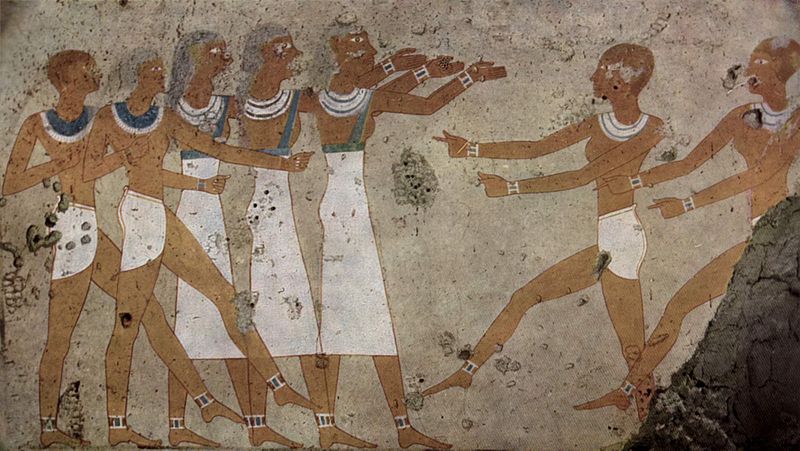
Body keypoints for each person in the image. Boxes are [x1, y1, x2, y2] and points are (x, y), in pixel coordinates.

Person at [2, 50, 241, 448]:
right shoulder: (38, 124)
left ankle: (188, 406)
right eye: (85, 73)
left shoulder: (99, 117)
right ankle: (47, 429)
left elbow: (121, 162)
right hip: (68, 235)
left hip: (94, 230)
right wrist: (59, 163)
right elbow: (11, 182)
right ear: (65, 81)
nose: (93, 75)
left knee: (150, 314)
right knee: (60, 338)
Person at [82, 48, 313, 446]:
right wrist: (124, 157)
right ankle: (117, 425)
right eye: (153, 71)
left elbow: (218, 150)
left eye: (161, 71)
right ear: (136, 75)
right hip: (138, 216)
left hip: (159, 213)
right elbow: (89, 169)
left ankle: (278, 386)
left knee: (225, 295)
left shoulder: (165, 118)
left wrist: (280, 164)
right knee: (128, 323)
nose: (161, 77)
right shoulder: (108, 117)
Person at [424, 43, 665, 420]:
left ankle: (648, 418)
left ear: (621, 80)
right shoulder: (598, 123)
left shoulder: (651, 129)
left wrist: (511, 188)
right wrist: (470, 149)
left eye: (602, 70)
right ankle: (467, 372)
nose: (593, 76)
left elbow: (582, 176)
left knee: (632, 349)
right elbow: (537, 148)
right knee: (530, 299)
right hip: (609, 238)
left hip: (622, 240)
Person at [575, 36, 800, 418]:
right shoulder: (742, 116)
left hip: (782, 239)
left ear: (780, 71)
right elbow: (690, 163)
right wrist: (635, 181)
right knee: (680, 307)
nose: (749, 70)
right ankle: (629, 391)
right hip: (759, 236)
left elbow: (758, 175)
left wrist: (688, 204)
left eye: (759, 63)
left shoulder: (795, 121)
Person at [310, 29, 505, 448]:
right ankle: (374, 427)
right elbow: (423, 105)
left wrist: (422, 70)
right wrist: (469, 77)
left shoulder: (334, 94)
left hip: (342, 205)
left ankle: (361, 426)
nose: (375, 60)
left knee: (353, 322)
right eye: (368, 56)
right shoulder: (361, 96)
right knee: (358, 321)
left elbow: (382, 93)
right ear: (348, 59)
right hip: (347, 212)